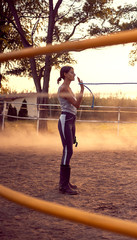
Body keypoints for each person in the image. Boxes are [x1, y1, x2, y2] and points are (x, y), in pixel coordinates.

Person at [57, 66, 84, 195]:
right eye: (72, 72)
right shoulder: (63, 88)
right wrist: (82, 90)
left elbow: (75, 108)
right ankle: (63, 186)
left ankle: (66, 182)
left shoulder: (68, 88)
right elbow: (77, 104)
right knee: (67, 151)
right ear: (65, 74)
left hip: (71, 120)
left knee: (69, 150)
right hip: (66, 119)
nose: (74, 74)